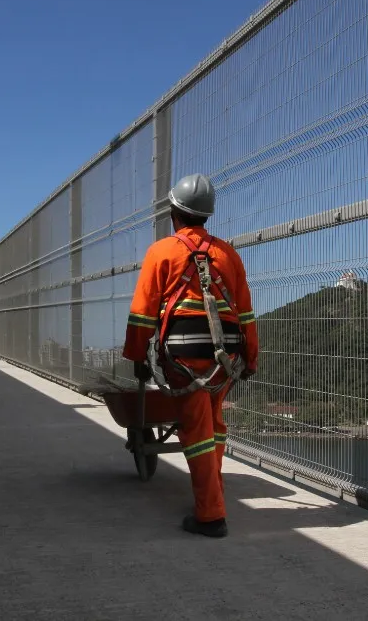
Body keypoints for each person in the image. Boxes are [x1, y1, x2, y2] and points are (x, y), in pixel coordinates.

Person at [122, 173, 258, 538]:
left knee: (197, 431)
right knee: (212, 426)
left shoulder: (161, 252)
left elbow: (143, 312)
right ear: (207, 216)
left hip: (183, 356)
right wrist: (252, 358)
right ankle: (214, 496)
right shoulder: (228, 253)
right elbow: (244, 312)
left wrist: (137, 355)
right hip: (226, 358)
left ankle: (211, 515)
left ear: (173, 212)